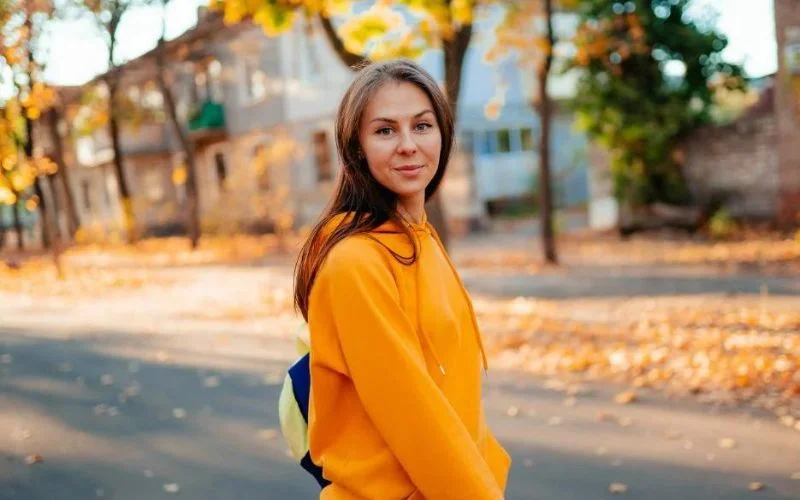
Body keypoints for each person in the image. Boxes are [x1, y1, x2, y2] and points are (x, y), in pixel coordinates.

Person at [293, 59, 510, 500]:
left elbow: (452, 392)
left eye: (422, 126)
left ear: (443, 134)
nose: (408, 145)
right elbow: (412, 412)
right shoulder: (355, 262)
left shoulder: (421, 238)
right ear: (356, 148)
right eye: (385, 130)